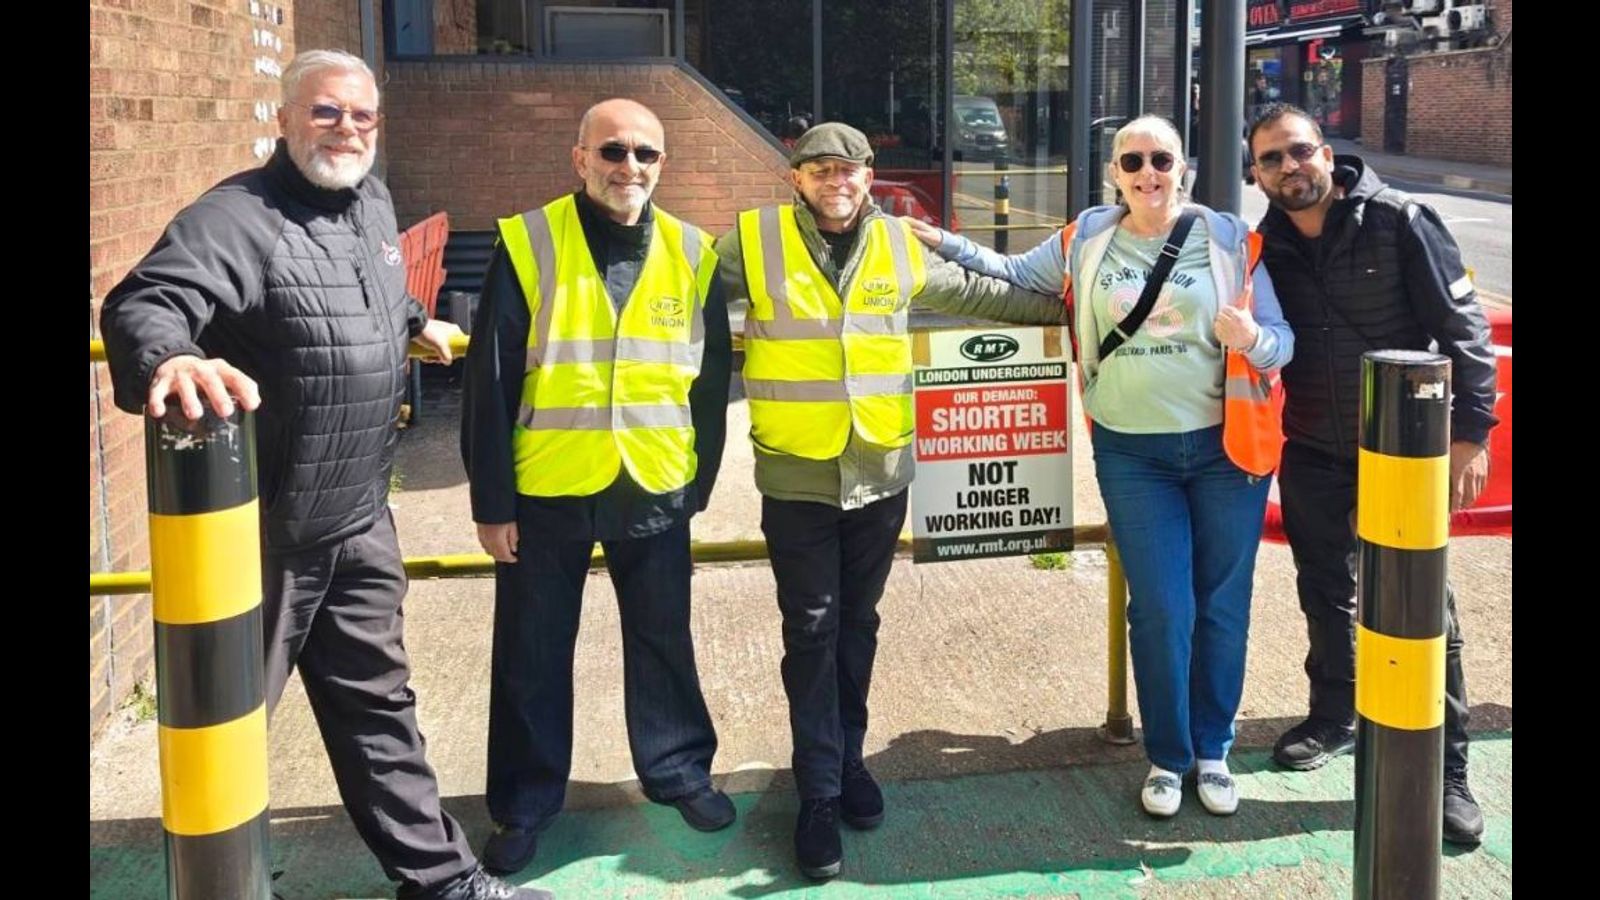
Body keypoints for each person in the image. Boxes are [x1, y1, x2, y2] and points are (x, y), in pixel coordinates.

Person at [99, 49, 548, 900]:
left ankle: (444, 882)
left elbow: (369, 287)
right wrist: (173, 358)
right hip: (264, 540)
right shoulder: (238, 216)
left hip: (357, 518)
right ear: (284, 119)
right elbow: (144, 301)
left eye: (362, 115)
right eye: (326, 112)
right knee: (223, 731)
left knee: (381, 711)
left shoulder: (369, 199)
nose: (347, 129)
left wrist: (412, 322)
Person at [908, 114, 1293, 820]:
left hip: (1226, 451)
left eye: (1162, 159)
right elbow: (1009, 271)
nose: (1149, 173)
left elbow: (1281, 341)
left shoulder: (1229, 239)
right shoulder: (1085, 238)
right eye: (1133, 161)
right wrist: (943, 242)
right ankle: (1168, 756)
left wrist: (1253, 340)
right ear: (1114, 173)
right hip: (1132, 452)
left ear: (1184, 169)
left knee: (1222, 605)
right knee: (1161, 608)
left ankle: (1213, 748)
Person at [715, 122, 1066, 880]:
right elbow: (678, 295)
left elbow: (981, 293)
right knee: (811, 628)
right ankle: (818, 789)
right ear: (796, 178)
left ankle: (850, 760)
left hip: (880, 473)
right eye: (821, 169)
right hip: (798, 473)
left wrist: (1075, 315)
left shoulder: (899, 246)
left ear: (869, 176)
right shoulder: (754, 242)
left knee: (858, 623)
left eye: (850, 169)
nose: (837, 180)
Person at [460, 98, 736, 876]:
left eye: (645, 154)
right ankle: (523, 803)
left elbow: (712, 381)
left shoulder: (693, 251)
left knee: (663, 638)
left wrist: (698, 485)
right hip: (548, 486)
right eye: (612, 151)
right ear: (579, 158)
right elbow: (488, 380)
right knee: (531, 651)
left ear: (662, 164)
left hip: (654, 482)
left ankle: (678, 770)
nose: (629, 167)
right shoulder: (528, 241)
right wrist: (492, 503)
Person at [1247, 102, 1496, 847]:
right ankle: (1335, 715)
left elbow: (1465, 331)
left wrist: (1470, 436)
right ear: (1256, 174)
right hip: (1312, 447)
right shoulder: (1264, 245)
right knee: (1325, 591)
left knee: (1423, 610)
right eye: (1271, 159)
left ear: (1327, 153)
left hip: (1402, 454)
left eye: (1299, 150)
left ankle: (1448, 771)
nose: (1289, 167)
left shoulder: (1401, 220)